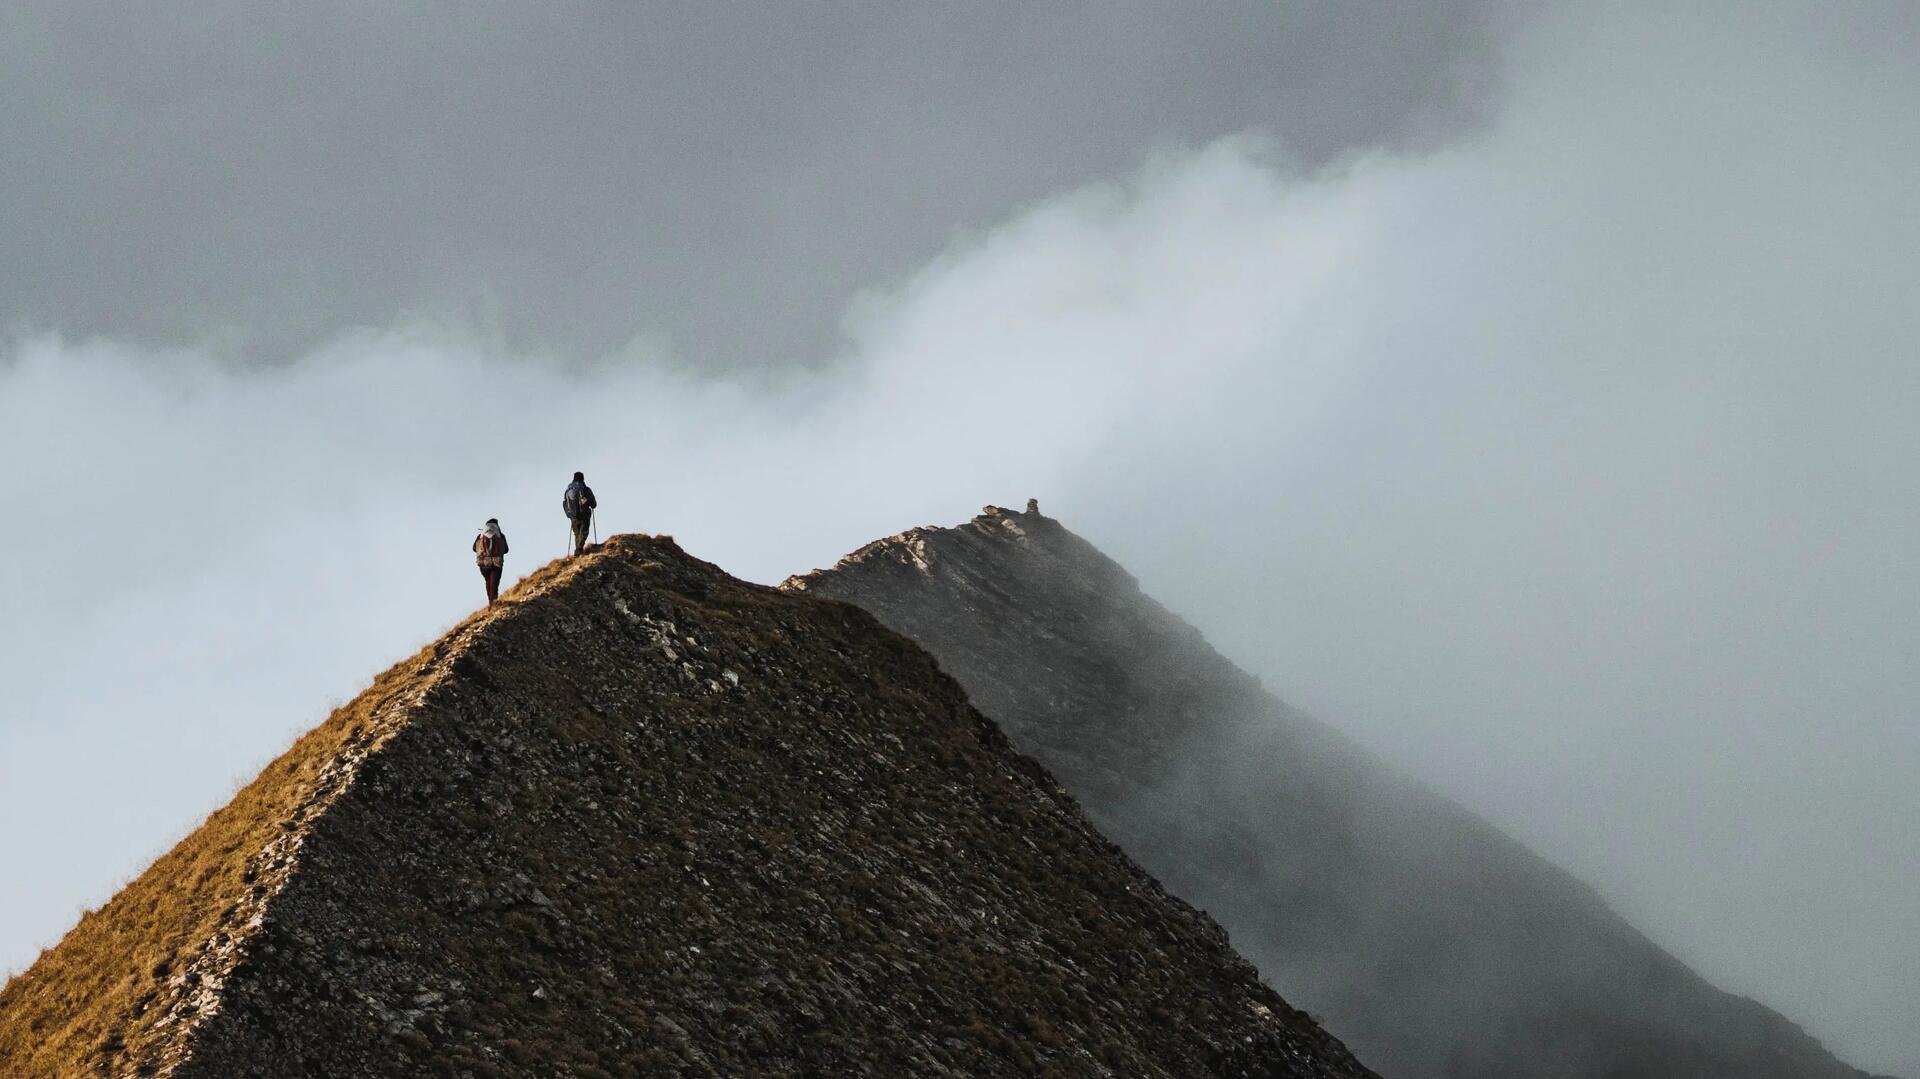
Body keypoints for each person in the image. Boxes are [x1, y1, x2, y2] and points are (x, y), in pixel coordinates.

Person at [562, 471, 598, 556]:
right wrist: (591, 505)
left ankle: (578, 550)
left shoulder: (568, 490)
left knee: (577, 533)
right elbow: (593, 504)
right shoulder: (585, 489)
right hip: (584, 514)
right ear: (582, 479)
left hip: (573, 516)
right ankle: (579, 549)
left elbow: (566, 503)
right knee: (584, 531)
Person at [474, 518, 508, 604]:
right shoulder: (501, 535)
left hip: (483, 563)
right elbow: (506, 550)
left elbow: (474, 548)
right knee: (494, 585)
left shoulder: (480, 536)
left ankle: (491, 602)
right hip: (496, 563)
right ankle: (493, 603)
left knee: (488, 581)